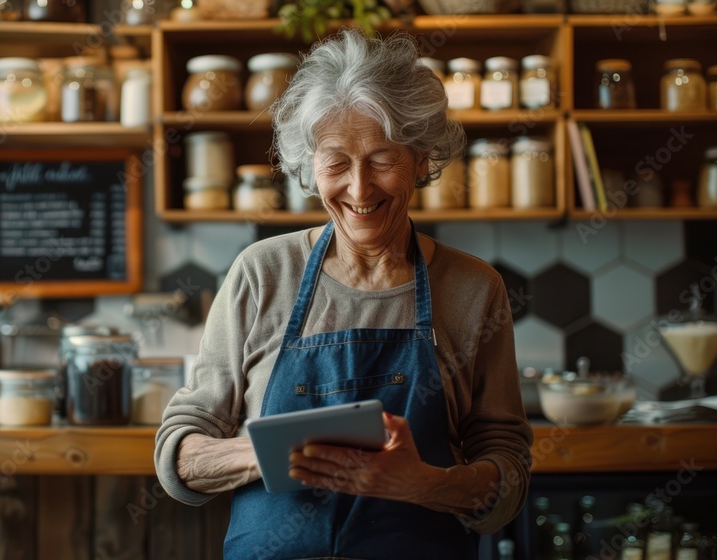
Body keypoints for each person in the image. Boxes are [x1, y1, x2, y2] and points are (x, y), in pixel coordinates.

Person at [154, 28, 533, 559]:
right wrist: (268, 454)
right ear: (309, 168)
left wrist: (421, 483)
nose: (359, 189)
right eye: (335, 162)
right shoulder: (261, 273)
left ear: (422, 160)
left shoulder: (473, 288)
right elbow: (180, 451)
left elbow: (508, 470)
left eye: (382, 159)